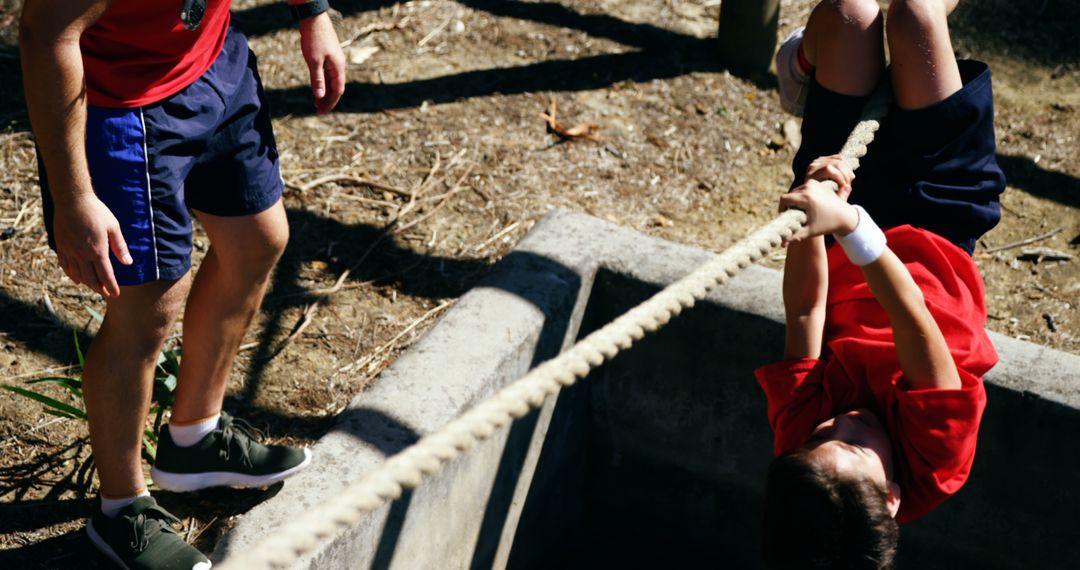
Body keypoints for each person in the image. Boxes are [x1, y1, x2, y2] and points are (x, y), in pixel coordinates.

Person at [19, 0, 346, 567]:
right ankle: (121, 511)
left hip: (214, 60)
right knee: (147, 310)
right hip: (123, 105)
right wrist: (74, 196)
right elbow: (45, 34)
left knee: (257, 240)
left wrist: (312, 12)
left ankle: (194, 440)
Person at [755, 0, 1005, 568]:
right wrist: (852, 228)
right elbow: (912, 315)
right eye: (851, 444)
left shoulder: (802, 454)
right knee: (917, 13)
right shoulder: (936, 462)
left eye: (822, 436)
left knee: (850, 12)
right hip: (942, 214)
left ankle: (802, 71)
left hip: (848, 199)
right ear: (891, 498)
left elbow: (804, 315)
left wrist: (809, 222)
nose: (841, 421)